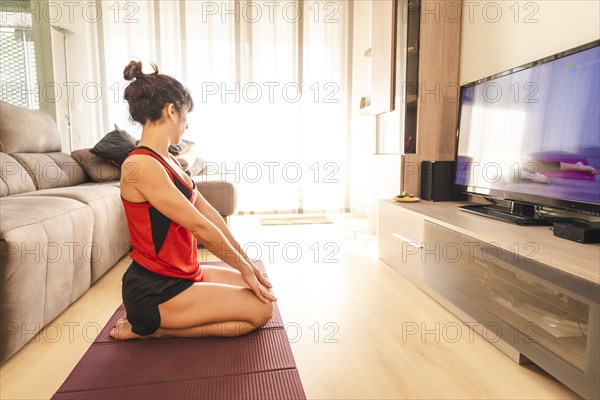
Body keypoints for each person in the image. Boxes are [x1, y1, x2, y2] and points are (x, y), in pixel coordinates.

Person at [110, 61, 276, 340]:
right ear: (172, 111)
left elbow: (211, 217)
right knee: (261, 311)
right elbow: (199, 228)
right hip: (157, 289)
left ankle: (161, 323)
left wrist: (248, 264)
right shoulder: (141, 166)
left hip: (185, 273)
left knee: (262, 291)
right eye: (186, 116)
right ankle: (155, 329)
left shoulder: (169, 161)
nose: (186, 126)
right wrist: (243, 268)